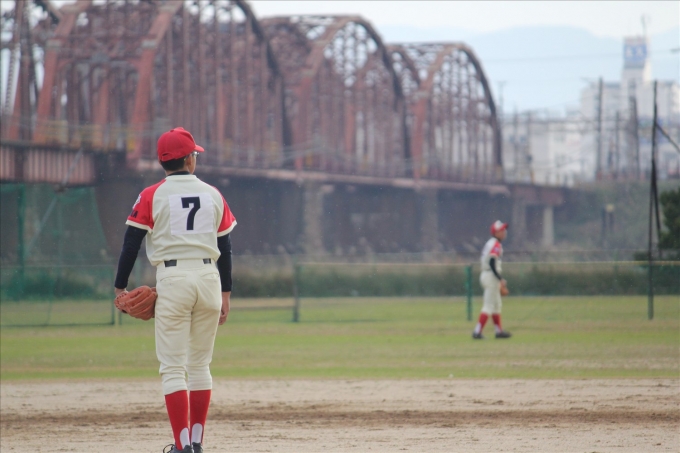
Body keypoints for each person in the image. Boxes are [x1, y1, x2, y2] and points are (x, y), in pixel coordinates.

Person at [114, 127, 237, 453]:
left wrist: (120, 286)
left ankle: (183, 447)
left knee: (172, 368)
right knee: (200, 366)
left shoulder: (151, 194)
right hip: (209, 278)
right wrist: (226, 293)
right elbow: (225, 247)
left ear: (162, 161)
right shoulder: (213, 194)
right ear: (190, 159)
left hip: (173, 278)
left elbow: (131, 243)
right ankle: (196, 442)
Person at [472, 220, 511, 340]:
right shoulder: (496, 244)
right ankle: (477, 331)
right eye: (501, 230)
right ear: (496, 232)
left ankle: (499, 331)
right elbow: (492, 262)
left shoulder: (491, 243)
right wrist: (500, 278)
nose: (504, 232)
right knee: (488, 305)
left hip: (487, 274)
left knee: (496, 304)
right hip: (491, 276)